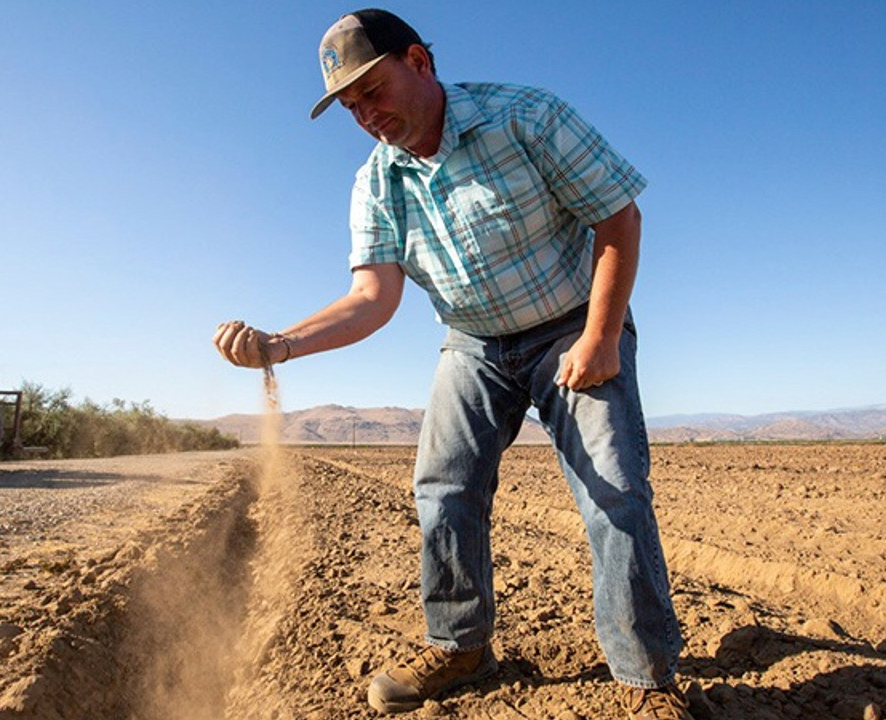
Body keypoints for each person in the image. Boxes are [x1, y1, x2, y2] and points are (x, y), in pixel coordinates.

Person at [214, 9, 692, 719]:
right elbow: (372, 298)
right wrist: (281, 344)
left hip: (572, 324)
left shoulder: (525, 116)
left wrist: (602, 336)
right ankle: (462, 646)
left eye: (372, 91)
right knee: (443, 487)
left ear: (419, 62)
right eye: (350, 107)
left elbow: (618, 218)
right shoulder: (377, 183)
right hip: (473, 343)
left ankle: (647, 679)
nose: (366, 115)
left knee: (614, 490)